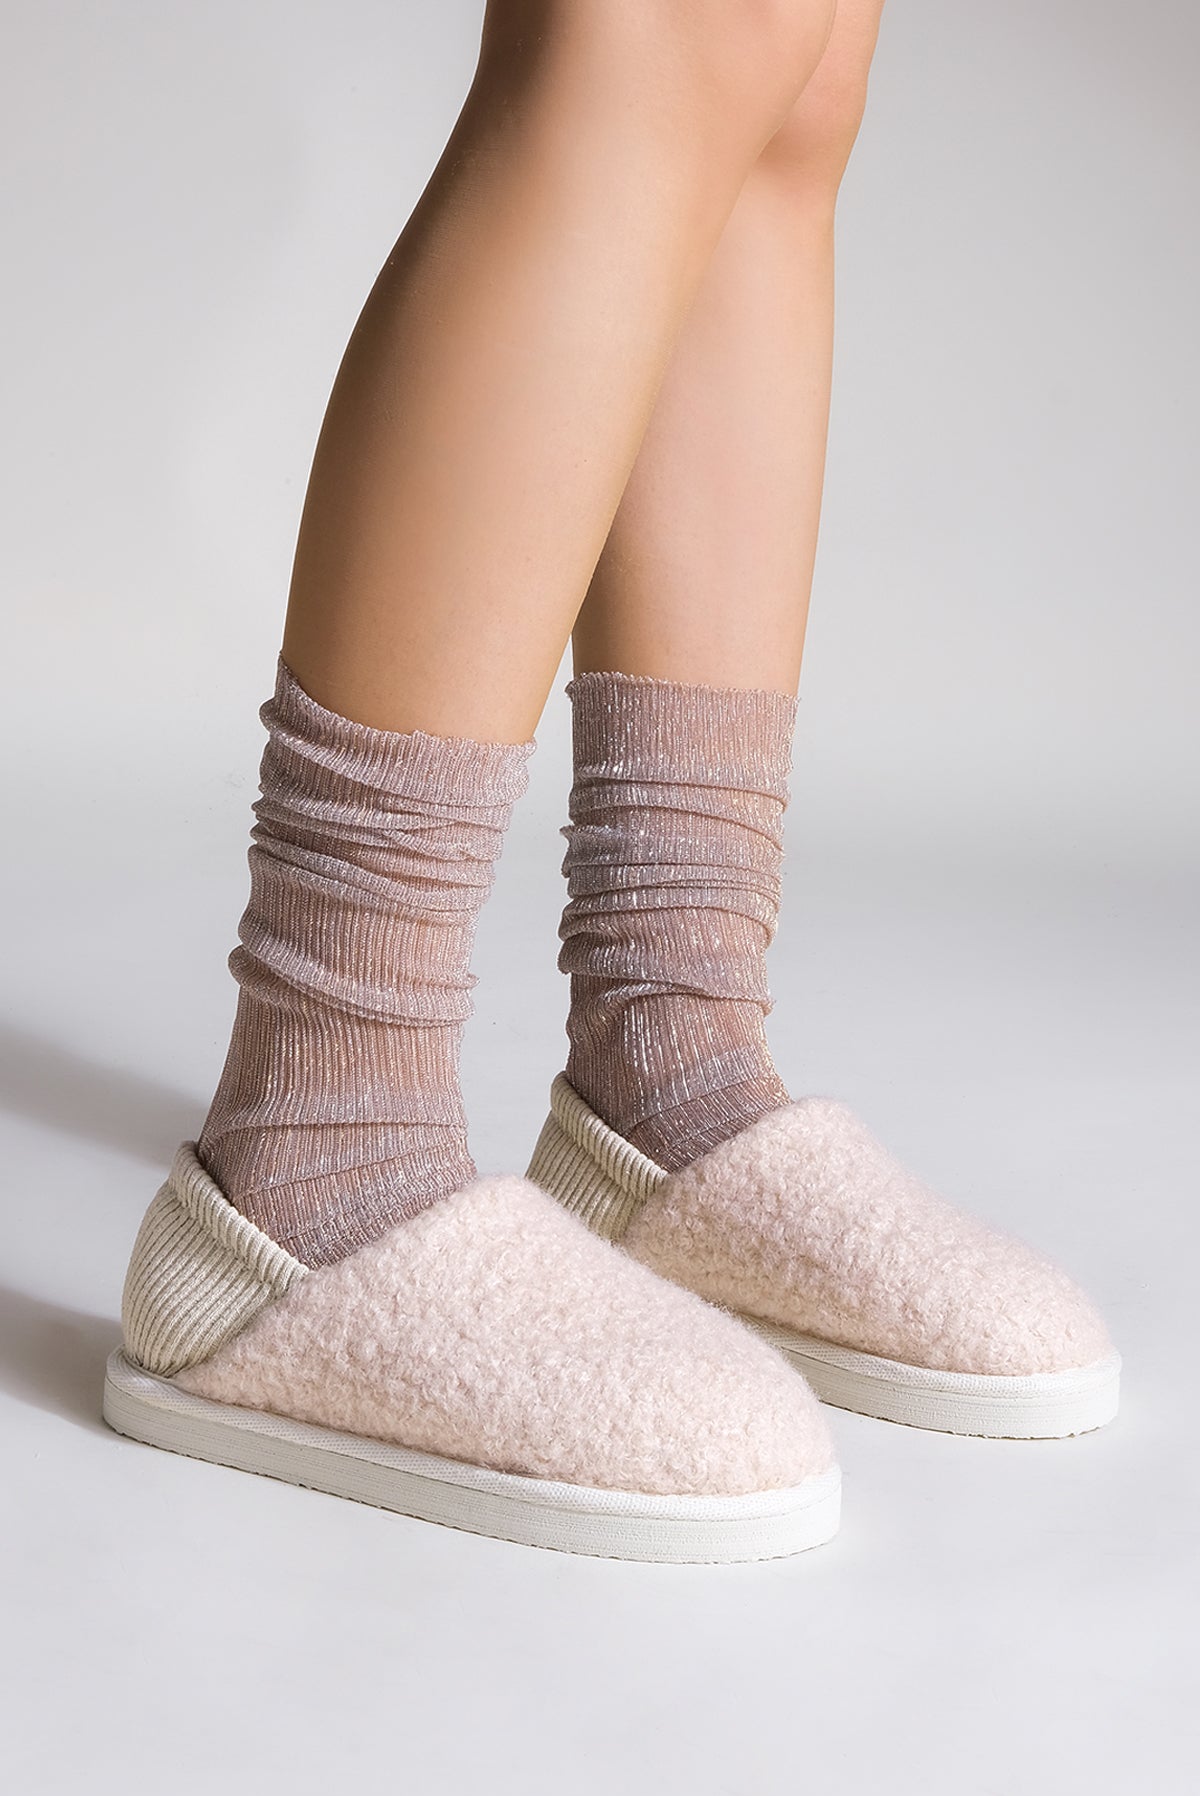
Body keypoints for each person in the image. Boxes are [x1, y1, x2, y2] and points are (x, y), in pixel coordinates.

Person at [103, 0, 1120, 1562]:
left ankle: (667, 1053)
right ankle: (317, 1134)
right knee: (650, 25)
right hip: (300, 1172)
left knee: (791, 67)